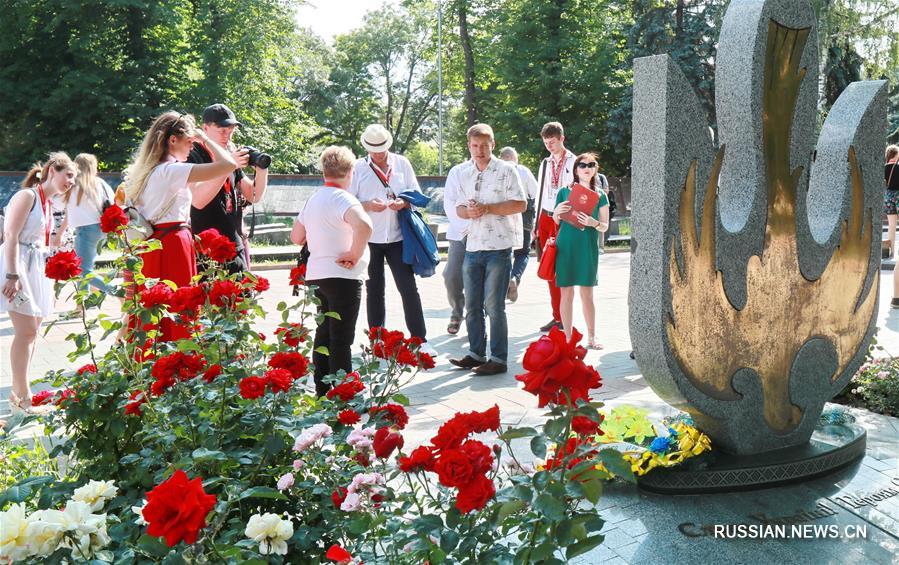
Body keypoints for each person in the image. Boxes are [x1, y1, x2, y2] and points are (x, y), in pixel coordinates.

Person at [123, 111, 237, 308]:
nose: (193, 146)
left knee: (153, 306)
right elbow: (228, 164)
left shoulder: (147, 170)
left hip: (151, 244)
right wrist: (205, 139)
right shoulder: (172, 170)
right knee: (178, 305)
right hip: (171, 243)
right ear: (173, 140)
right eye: (190, 140)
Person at [291, 146, 373, 396]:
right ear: (350, 172)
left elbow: (296, 236)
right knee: (342, 339)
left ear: (324, 171)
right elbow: (365, 225)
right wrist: (355, 254)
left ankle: (322, 388)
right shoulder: (345, 199)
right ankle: (344, 393)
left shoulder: (313, 199)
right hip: (344, 275)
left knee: (324, 334)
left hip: (317, 275)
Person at [0, 152, 76, 413]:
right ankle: (21, 397)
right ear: (52, 170)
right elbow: (10, 235)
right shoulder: (28, 196)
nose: (72, 182)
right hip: (17, 265)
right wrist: (12, 274)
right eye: (69, 175)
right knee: (27, 331)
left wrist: (50, 282)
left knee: (32, 331)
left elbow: (43, 243)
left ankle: (21, 393)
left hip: (34, 268)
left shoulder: (49, 202)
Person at [448, 124, 526, 376]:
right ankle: (475, 353)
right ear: (468, 146)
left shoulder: (506, 170)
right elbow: (458, 208)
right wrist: (467, 212)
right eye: (474, 146)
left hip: (499, 247)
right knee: (471, 305)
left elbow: (521, 203)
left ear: (492, 144)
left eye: (484, 145)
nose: (479, 150)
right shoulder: (463, 173)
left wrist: (489, 208)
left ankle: (499, 359)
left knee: (493, 306)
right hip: (472, 245)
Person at [349, 124, 435, 355]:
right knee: (374, 289)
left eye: (382, 149)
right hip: (370, 237)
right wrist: (367, 205)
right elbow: (348, 201)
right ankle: (377, 340)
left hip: (398, 236)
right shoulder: (358, 167)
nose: (378, 154)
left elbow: (416, 195)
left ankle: (420, 339)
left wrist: (404, 202)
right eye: (373, 150)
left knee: (408, 288)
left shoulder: (402, 163)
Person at [188, 103, 269, 273]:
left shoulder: (229, 155)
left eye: (231, 131)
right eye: (222, 131)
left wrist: (262, 170)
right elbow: (198, 200)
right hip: (207, 248)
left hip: (234, 243)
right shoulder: (193, 154)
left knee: (242, 298)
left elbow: (253, 195)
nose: (227, 137)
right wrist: (228, 165)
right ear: (205, 128)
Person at [552, 152, 610, 349]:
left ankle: (592, 337)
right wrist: (556, 213)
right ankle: (567, 338)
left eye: (591, 165)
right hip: (566, 246)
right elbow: (556, 221)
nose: (587, 168)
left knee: (587, 294)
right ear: (576, 170)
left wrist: (594, 223)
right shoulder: (563, 192)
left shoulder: (600, 196)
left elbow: (604, 226)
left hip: (587, 247)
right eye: (582, 165)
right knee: (566, 293)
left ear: (595, 169)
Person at [534, 122, 576, 332]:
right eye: (546, 143)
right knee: (548, 266)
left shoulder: (574, 161)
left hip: (564, 218)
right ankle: (556, 315)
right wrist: (535, 222)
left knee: (562, 269)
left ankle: (564, 315)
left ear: (562, 138)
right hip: (545, 216)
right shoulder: (544, 163)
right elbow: (539, 194)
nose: (549, 146)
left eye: (552, 142)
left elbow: (577, 193)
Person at [61, 154, 115, 294]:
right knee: (85, 267)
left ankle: (116, 292)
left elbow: (67, 212)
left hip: (85, 230)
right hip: (101, 229)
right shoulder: (101, 183)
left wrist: (59, 233)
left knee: (83, 270)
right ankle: (81, 305)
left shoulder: (73, 185)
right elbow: (113, 203)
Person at [499, 147, 538, 302]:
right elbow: (535, 192)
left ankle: (501, 289)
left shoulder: (496, 171)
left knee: (504, 253)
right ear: (514, 158)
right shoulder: (522, 170)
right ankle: (515, 277)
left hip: (503, 215)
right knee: (523, 252)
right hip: (523, 215)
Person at [442, 164, 470, 336]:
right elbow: (449, 202)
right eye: (475, 145)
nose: (479, 150)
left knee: (477, 277)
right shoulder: (458, 171)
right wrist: (464, 228)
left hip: (485, 234)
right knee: (451, 275)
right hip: (459, 233)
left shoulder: (497, 169)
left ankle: (475, 318)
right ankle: (457, 311)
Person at [885, 144, 899, 308]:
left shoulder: (885, 167)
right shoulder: (897, 167)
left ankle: (890, 249)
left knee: (891, 225)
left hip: (888, 196)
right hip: (898, 196)